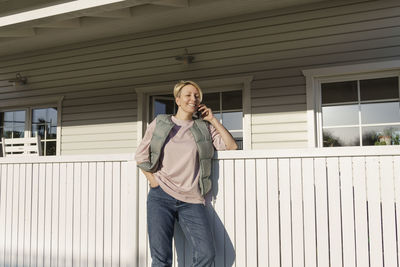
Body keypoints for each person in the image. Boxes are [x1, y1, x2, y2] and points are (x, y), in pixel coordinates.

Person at [135, 80, 238, 267]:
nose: (194, 98)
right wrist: (153, 181)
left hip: (192, 200)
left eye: (197, 95)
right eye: (188, 95)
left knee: (206, 254)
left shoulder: (203, 128)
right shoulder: (160, 123)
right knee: (160, 259)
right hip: (161, 196)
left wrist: (213, 120)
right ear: (178, 100)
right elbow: (141, 155)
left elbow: (231, 146)